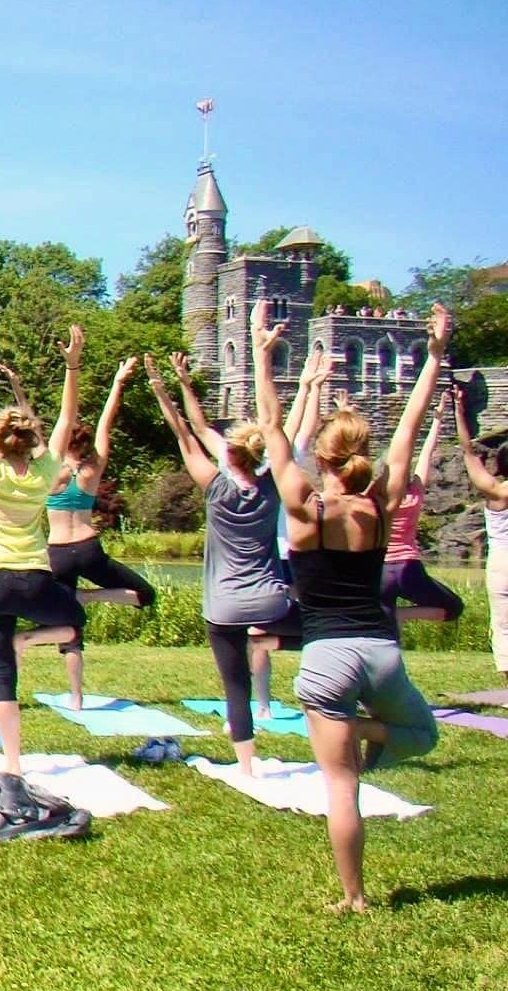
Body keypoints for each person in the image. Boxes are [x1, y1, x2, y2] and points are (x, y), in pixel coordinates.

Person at [255, 299, 446, 913]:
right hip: (382, 650)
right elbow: (411, 430)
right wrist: (435, 354)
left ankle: (354, 898)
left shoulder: (304, 506)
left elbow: (274, 429)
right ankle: (363, 728)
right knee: (421, 735)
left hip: (327, 658)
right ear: (361, 454)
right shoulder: (381, 505)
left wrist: (263, 355)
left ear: (326, 460)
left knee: (342, 784)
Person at [145, 353, 306, 775]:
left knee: (236, 686)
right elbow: (278, 432)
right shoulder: (272, 486)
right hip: (271, 603)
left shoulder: (216, 487)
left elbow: (189, 432)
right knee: (327, 633)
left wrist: (171, 387)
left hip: (224, 607)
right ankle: (275, 643)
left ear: (229, 457)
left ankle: (247, 766)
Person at [0, 313, 85, 775]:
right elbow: (68, 420)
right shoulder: (47, 474)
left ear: (0, 442)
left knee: (1, 676)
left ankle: (12, 764)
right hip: (32, 577)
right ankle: (32, 637)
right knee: (74, 624)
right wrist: (72, 367)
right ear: (30, 443)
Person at [171, 348, 324, 713]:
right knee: (286, 628)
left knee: (260, 632)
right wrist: (308, 387)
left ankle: (273, 699)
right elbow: (206, 428)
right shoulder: (274, 465)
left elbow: (199, 430)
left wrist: (308, 387)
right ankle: (268, 701)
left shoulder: (276, 461)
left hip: (283, 555)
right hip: (283, 555)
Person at [33, 356, 153, 707]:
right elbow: (106, 422)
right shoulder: (92, 469)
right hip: (87, 547)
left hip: (57, 553)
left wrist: (17, 388)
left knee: (72, 631)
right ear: (84, 445)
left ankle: (76, 697)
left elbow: (38, 431)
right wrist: (117, 382)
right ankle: (92, 597)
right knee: (144, 594)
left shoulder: (51, 468)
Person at [381, 397, 465, 625]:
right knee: (453, 607)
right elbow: (426, 455)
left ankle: (387, 617)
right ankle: (396, 616)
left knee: (381, 618)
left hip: (381, 568)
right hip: (409, 566)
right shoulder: (414, 493)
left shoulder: (377, 498)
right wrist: (437, 421)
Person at [453, 389, 508, 683]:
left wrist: (459, 412)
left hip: (501, 562)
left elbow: (468, 451)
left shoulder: (497, 491)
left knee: (503, 625)